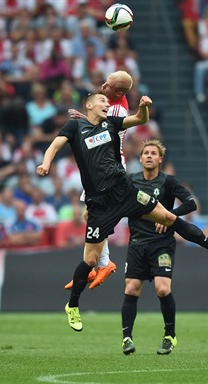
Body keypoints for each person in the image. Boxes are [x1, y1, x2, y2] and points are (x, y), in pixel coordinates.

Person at [36, 91, 208, 331]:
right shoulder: (75, 127)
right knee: (90, 259)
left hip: (125, 192)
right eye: (102, 100)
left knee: (168, 216)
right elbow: (54, 145)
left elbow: (139, 120)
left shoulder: (110, 123)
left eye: (107, 101)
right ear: (89, 105)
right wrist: (46, 163)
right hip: (100, 203)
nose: (106, 104)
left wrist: (143, 108)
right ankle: (72, 305)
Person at [121, 139, 199, 356]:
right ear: (141, 157)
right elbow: (114, 200)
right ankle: (126, 338)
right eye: (145, 152)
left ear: (159, 159)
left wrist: (170, 217)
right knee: (131, 288)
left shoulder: (168, 182)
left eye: (153, 153)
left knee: (162, 288)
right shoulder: (131, 181)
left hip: (161, 244)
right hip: (137, 243)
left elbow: (191, 203)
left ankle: (169, 336)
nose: (148, 156)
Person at [64, 70, 134, 291]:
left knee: (96, 216)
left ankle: (100, 264)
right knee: (89, 214)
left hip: (107, 166)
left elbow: (99, 131)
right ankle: (96, 265)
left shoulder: (116, 108)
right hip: (102, 165)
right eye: (105, 81)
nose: (103, 85)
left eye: (108, 84)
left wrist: (83, 119)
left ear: (119, 91)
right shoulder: (112, 101)